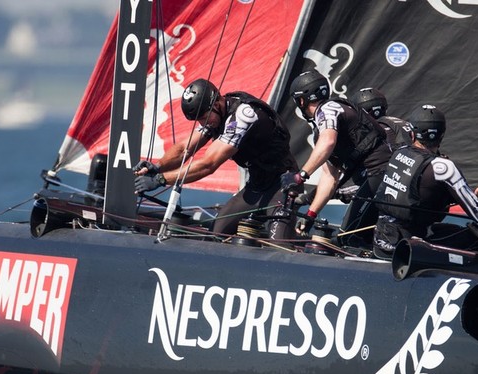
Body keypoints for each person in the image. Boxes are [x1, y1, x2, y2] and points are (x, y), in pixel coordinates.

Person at [371, 103, 478, 258]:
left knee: (450, 230)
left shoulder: (399, 152)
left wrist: (471, 193)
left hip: (383, 241)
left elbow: (419, 192)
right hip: (411, 246)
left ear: (412, 133)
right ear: (442, 134)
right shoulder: (443, 167)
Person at [133, 78, 297, 237]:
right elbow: (184, 149)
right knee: (216, 235)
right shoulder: (214, 117)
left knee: (279, 245)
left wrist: (160, 179)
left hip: (281, 185)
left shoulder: (243, 116)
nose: (203, 123)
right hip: (256, 186)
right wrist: (157, 167)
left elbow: (208, 165)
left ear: (217, 103)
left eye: (204, 118)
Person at [280, 70, 392, 249]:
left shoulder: (327, 109)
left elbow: (328, 142)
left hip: (380, 174)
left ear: (301, 101)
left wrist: (300, 176)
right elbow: (330, 178)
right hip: (374, 178)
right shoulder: (325, 123)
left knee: (350, 238)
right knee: (354, 235)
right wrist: (311, 214)